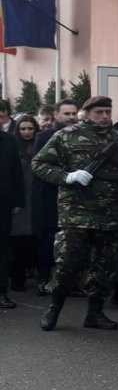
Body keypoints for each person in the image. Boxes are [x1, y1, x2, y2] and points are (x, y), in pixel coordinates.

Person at [33, 96, 118, 332]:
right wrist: (67, 176)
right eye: (99, 112)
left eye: (108, 112)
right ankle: (54, 308)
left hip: (111, 213)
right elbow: (39, 164)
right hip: (77, 213)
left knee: (104, 266)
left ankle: (95, 313)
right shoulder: (67, 136)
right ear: (86, 114)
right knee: (68, 263)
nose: (105, 117)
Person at [31, 99, 78, 295]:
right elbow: (40, 166)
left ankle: (70, 282)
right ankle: (43, 278)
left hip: (77, 197)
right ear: (56, 116)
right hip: (52, 196)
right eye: (66, 114)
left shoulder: (81, 136)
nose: (71, 117)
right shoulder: (45, 137)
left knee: (74, 243)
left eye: (74, 113)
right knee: (50, 241)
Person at [7, 115, 40, 298]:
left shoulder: (40, 147)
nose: (27, 132)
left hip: (34, 199)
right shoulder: (12, 146)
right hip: (19, 200)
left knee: (31, 241)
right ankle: (17, 278)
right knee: (15, 241)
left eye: (30, 128)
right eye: (23, 129)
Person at [0, 118, 24, 310]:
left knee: (2, 249)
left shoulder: (9, 141)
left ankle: (1, 292)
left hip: (3, 204)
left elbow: (17, 172)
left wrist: (18, 201)